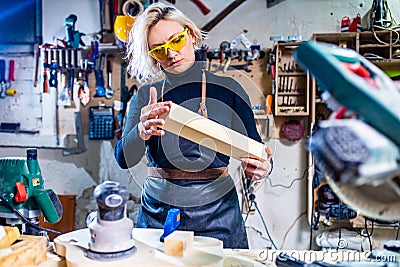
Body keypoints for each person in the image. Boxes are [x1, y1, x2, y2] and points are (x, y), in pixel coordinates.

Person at [114, 2, 272, 249]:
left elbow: (256, 153)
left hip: (219, 217)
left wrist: (262, 168)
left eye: (175, 41)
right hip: (159, 216)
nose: (170, 54)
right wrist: (141, 132)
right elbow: (125, 159)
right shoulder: (146, 96)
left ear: (191, 34)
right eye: (159, 50)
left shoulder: (230, 91)